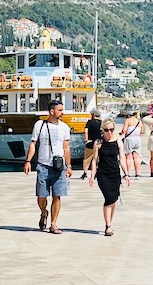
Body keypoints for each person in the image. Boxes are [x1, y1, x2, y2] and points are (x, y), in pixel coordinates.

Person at [23, 99, 72, 234]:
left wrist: (69, 165)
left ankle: (53, 224)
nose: (62, 112)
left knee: (57, 196)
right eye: (60, 110)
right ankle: (44, 212)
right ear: (52, 111)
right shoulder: (40, 125)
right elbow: (33, 143)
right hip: (43, 165)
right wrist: (28, 161)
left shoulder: (64, 127)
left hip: (59, 166)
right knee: (41, 196)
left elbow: (66, 147)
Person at [89, 117, 125, 236]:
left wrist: (127, 174)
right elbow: (94, 160)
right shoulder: (98, 143)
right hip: (103, 175)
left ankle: (109, 223)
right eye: (106, 130)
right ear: (102, 130)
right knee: (109, 199)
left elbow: (122, 159)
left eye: (111, 129)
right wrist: (92, 176)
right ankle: (108, 226)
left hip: (115, 174)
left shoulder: (118, 142)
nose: (109, 132)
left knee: (113, 200)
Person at [81, 108, 103, 179]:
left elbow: (85, 131)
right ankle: (96, 173)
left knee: (87, 159)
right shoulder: (101, 123)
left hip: (91, 143)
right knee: (97, 159)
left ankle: (85, 173)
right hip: (99, 143)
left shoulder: (89, 122)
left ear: (93, 115)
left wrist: (86, 140)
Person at [120, 109, 143, 178]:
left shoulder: (128, 120)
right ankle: (137, 173)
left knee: (128, 157)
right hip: (137, 139)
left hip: (129, 139)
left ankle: (127, 173)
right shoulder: (139, 121)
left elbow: (124, 130)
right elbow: (142, 131)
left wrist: (121, 133)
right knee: (136, 157)